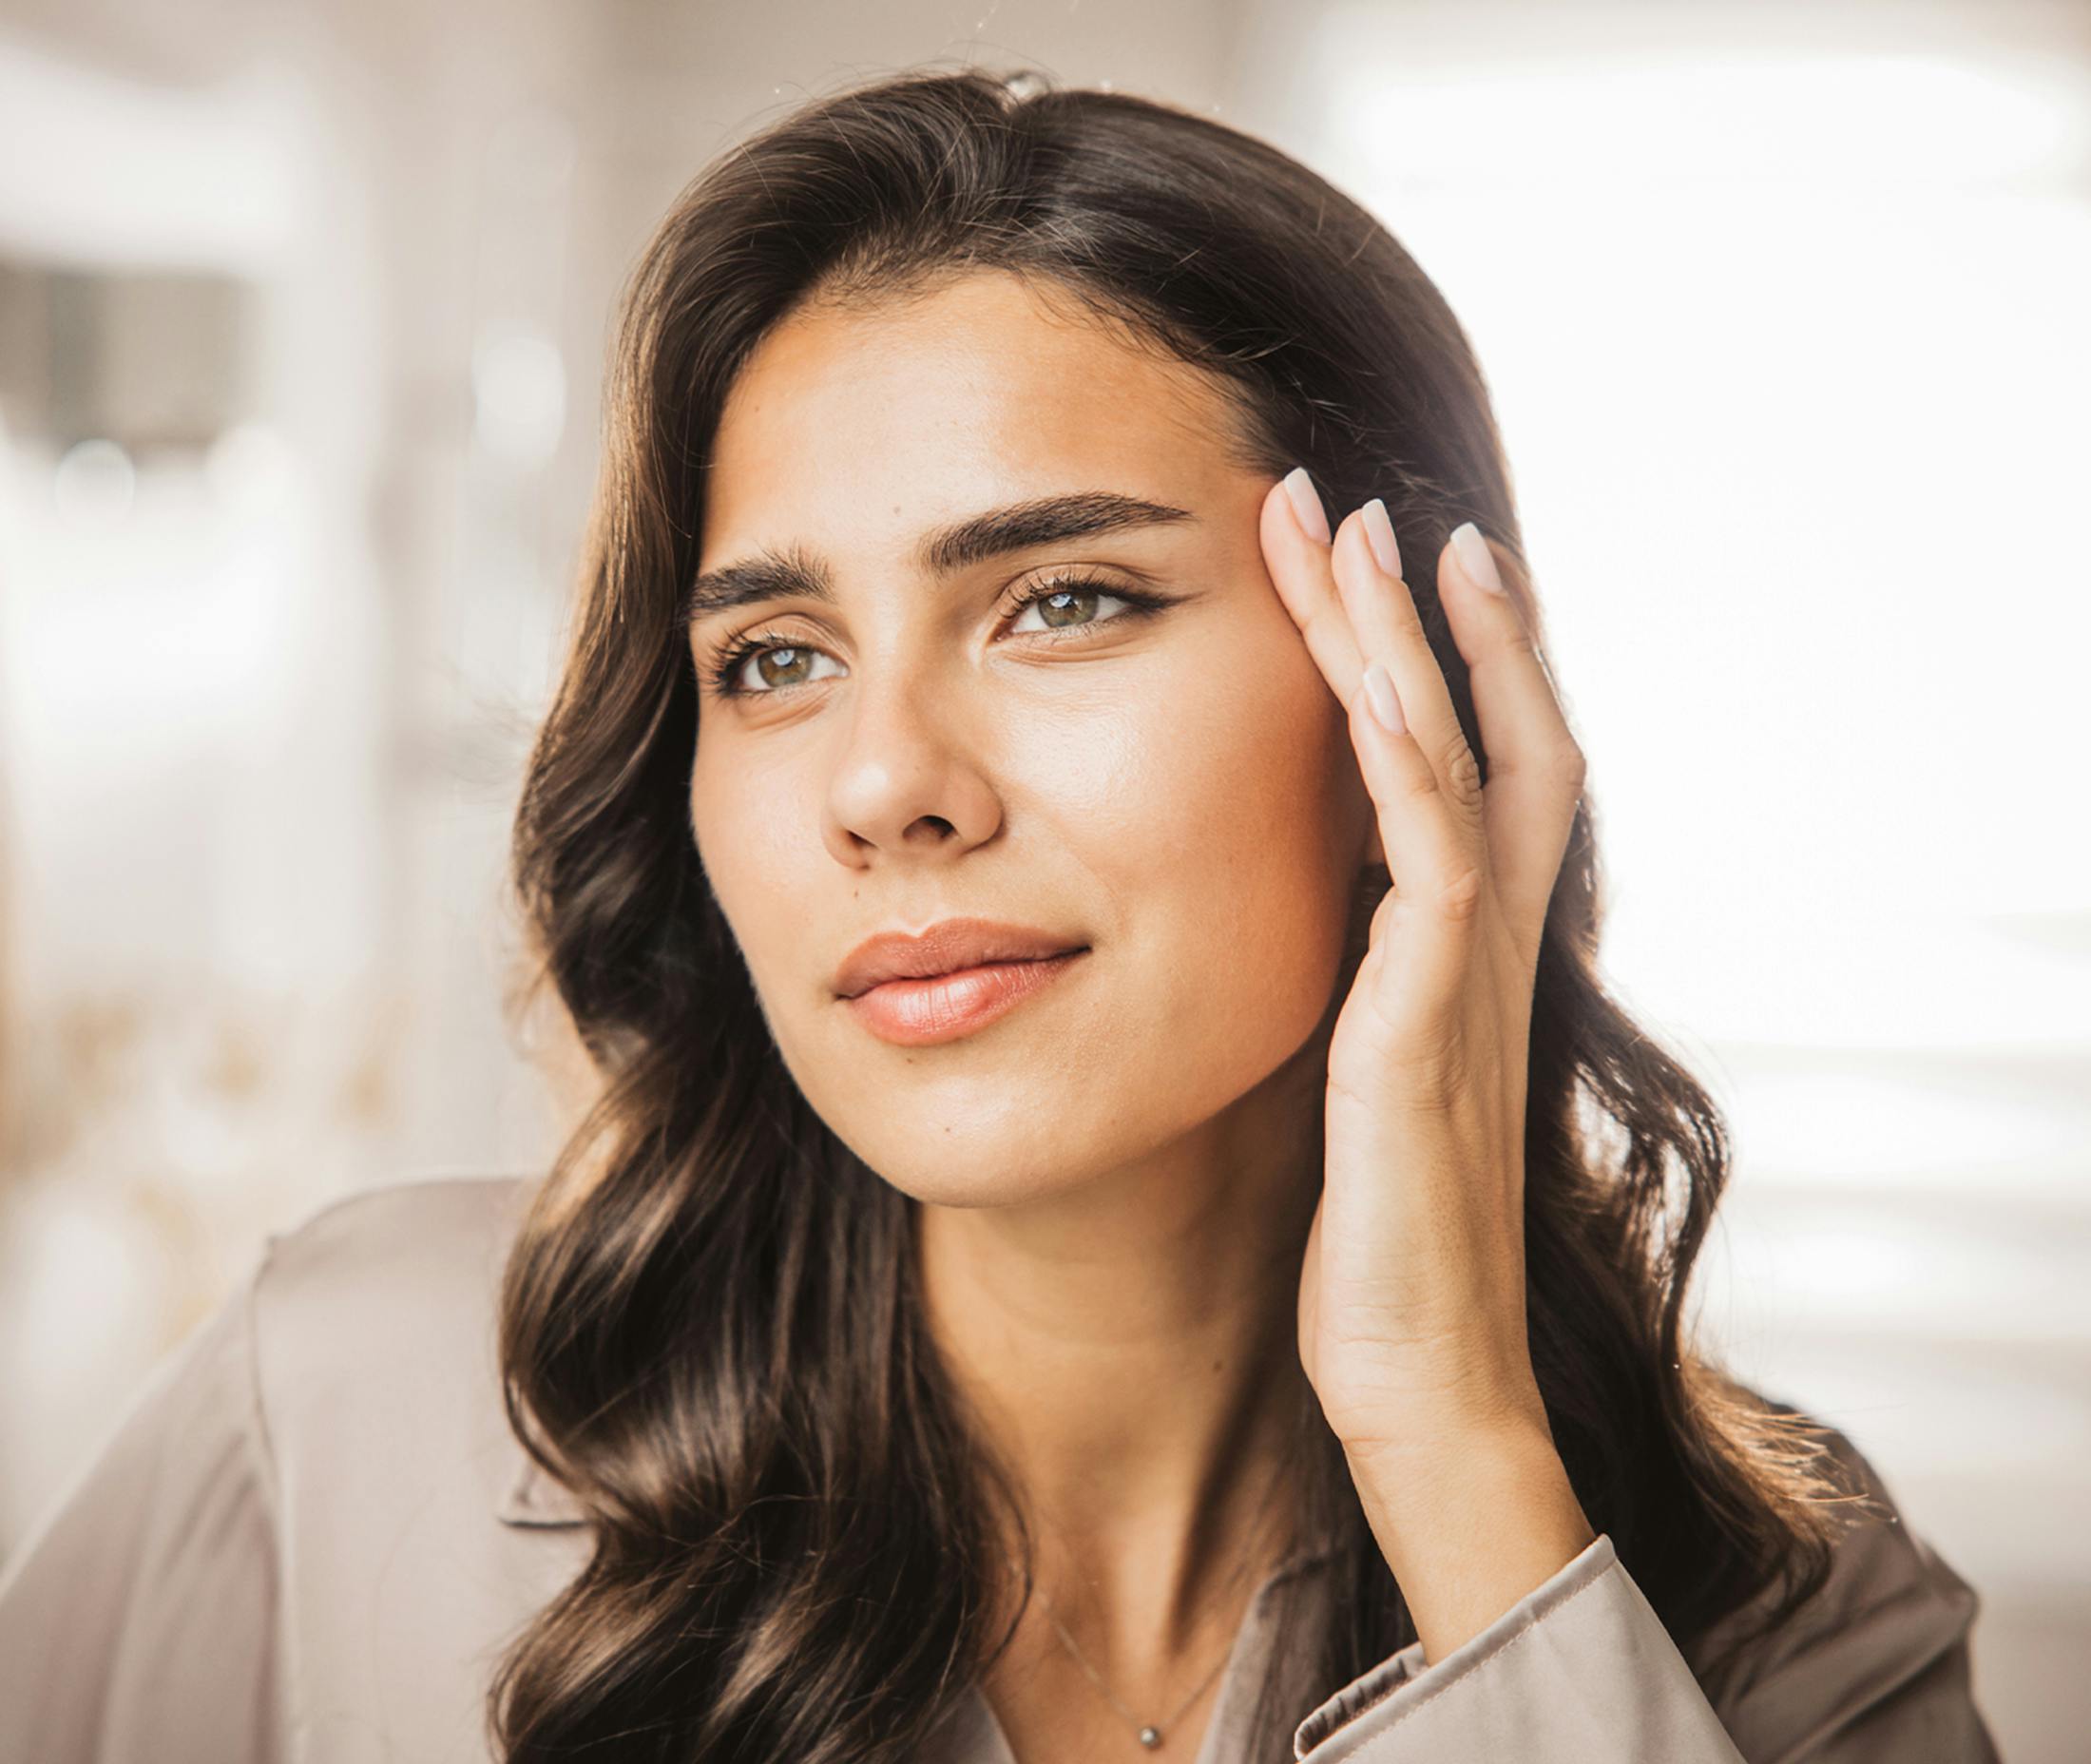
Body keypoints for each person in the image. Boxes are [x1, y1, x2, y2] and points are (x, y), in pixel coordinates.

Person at [0, 67, 2001, 1764]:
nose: (883, 784)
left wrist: (1448, 1429)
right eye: (775, 656)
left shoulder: (1789, 1623)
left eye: (1062, 602)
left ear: (1419, 695)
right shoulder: (342, 1409)